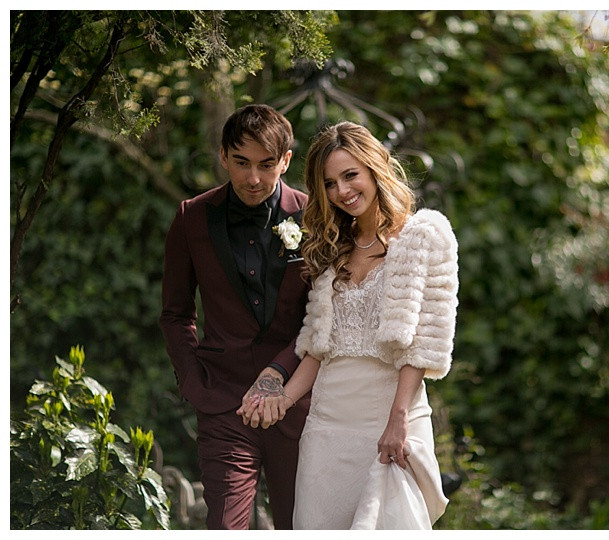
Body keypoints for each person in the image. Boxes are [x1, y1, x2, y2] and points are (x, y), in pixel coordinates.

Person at [237, 121, 459, 529]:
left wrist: (398, 420)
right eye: (330, 183)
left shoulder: (425, 236)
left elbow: (424, 344)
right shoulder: (332, 247)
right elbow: (318, 348)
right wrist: (281, 400)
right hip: (326, 427)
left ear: (374, 167)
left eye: (350, 175)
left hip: (389, 418)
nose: (342, 190)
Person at [159, 104, 310, 529]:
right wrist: (193, 379)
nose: (254, 178)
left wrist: (284, 380)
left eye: (266, 165)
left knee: (300, 525)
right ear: (223, 155)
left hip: (295, 405)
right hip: (222, 401)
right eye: (241, 163)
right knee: (225, 526)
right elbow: (175, 313)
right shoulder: (192, 218)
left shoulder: (313, 215)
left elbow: (323, 319)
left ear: (286, 160)